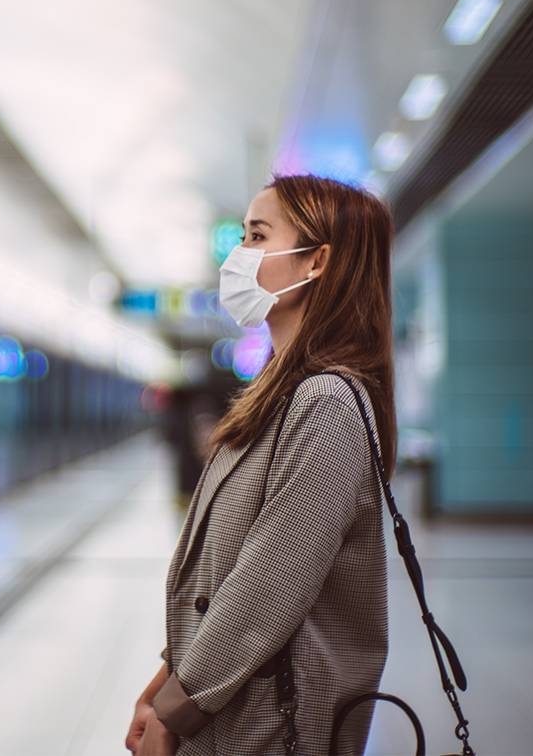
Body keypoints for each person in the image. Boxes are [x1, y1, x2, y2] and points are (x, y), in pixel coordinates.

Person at [127, 175, 395, 756]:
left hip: (273, 726)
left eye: (256, 235)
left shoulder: (325, 403)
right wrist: (163, 681)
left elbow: (267, 588)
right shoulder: (279, 391)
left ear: (316, 261)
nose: (238, 256)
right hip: (233, 706)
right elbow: (226, 575)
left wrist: (174, 713)